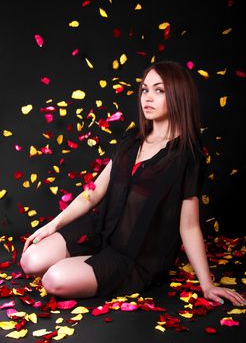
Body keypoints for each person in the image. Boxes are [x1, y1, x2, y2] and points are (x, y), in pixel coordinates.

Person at [20, 60, 245, 306]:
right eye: (145, 89)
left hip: (133, 255)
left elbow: (189, 226)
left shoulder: (186, 156)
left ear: (179, 94)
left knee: (53, 280)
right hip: (100, 232)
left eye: (159, 90)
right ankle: (84, 263)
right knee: (30, 261)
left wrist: (207, 284)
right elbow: (93, 193)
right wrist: (53, 225)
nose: (148, 97)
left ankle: (86, 269)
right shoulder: (131, 139)